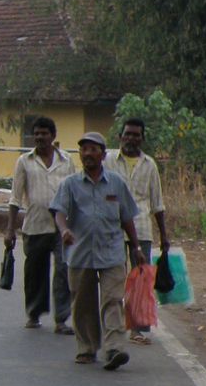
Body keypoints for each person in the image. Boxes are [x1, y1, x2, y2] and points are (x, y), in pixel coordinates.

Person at [51, 131, 144, 371]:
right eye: (84, 150)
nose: (88, 154)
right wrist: (63, 231)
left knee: (113, 300)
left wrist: (135, 247)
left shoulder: (116, 183)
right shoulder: (70, 184)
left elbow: (127, 218)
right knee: (83, 304)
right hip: (80, 254)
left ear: (103, 155)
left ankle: (114, 348)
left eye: (93, 149)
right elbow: (59, 211)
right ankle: (87, 348)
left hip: (111, 252)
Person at [3, 116, 75, 333]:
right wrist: (10, 229)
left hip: (62, 227)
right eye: (36, 134)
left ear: (53, 136)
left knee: (64, 270)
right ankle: (34, 314)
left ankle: (61, 319)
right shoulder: (24, 161)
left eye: (44, 134)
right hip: (35, 225)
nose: (40, 138)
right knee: (35, 272)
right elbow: (15, 197)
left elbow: (74, 192)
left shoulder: (67, 161)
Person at [105, 117, 169, 345]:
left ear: (142, 138)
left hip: (141, 229)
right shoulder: (108, 160)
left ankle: (139, 329)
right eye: (127, 134)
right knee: (114, 278)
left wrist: (164, 236)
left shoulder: (149, 165)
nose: (131, 138)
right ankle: (113, 324)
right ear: (120, 136)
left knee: (141, 280)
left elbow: (157, 203)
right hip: (113, 229)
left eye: (136, 135)